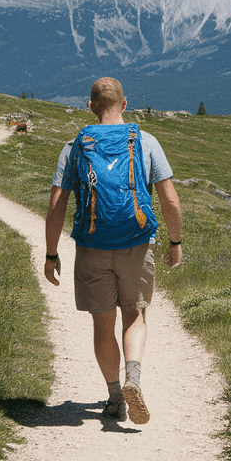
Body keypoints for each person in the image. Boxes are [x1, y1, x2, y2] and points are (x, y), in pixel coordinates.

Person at [43, 77, 182, 424]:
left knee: (102, 325)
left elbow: (57, 204)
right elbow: (170, 200)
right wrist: (175, 242)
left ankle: (114, 397)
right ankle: (133, 376)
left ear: (89, 107)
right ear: (124, 104)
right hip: (137, 245)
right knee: (135, 315)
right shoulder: (145, 142)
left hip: (92, 247)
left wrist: (50, 253)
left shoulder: (75, 146)